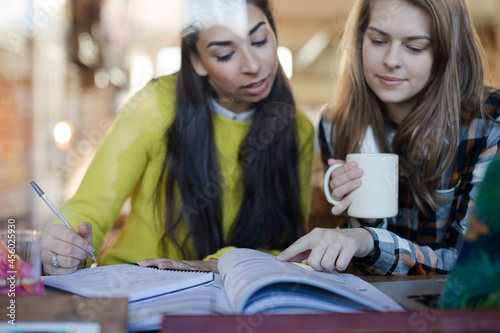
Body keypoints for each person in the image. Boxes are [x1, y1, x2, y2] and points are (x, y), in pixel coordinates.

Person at [41, 0, 315, 275]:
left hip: (231, 296)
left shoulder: (297, 129)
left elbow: (285, 246)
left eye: (260, 41)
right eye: (225, 55)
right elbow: (92, 205)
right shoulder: (156, 103)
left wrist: (213, 263)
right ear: (197, 61)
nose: (253, 65)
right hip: (134, 282)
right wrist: (67, 247)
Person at [277, 0, 500, 275]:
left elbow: (474, 263)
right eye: (378, 40)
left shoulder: (490, 122)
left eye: (414, 47)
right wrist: (361, 217)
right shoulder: (336, 123)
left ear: (447, 52)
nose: (391, 61)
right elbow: (366, 263)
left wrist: (371, 243)